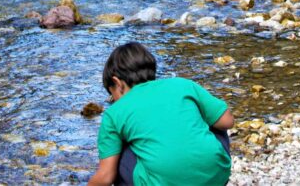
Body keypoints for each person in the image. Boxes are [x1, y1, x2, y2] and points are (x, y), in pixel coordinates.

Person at [86, 42, 234, 186]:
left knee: (118, 151)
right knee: (213, 120)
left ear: (117, 83)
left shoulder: (113, 113)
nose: (114, 101)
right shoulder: (182, 84)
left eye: (112, 95)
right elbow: (227, 121)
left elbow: (105, 177)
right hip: (216, 176)